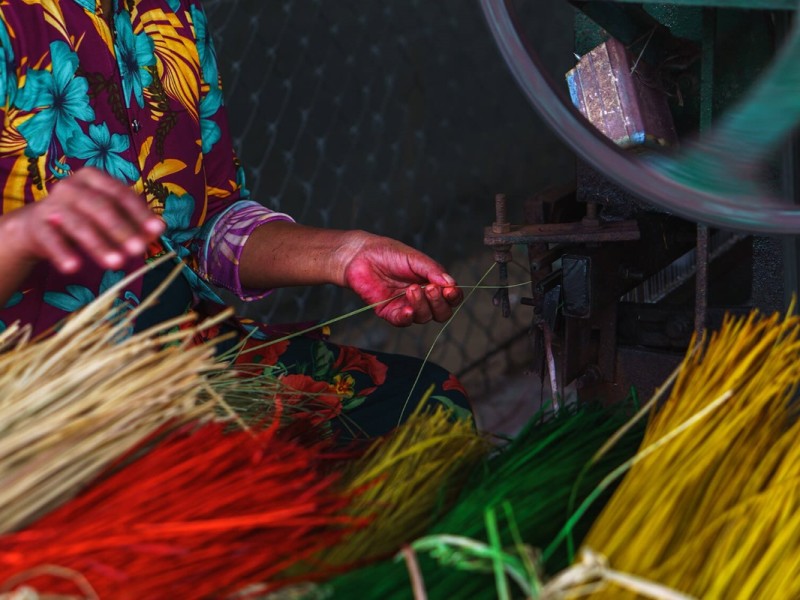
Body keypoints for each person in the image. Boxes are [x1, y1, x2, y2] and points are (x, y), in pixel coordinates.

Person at [0, 0, 470, 437]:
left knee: (430, 411)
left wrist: (344, 254)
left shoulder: (168, 14)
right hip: (41, 395)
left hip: (179, 361)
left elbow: (208, 221)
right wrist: (23, 236)